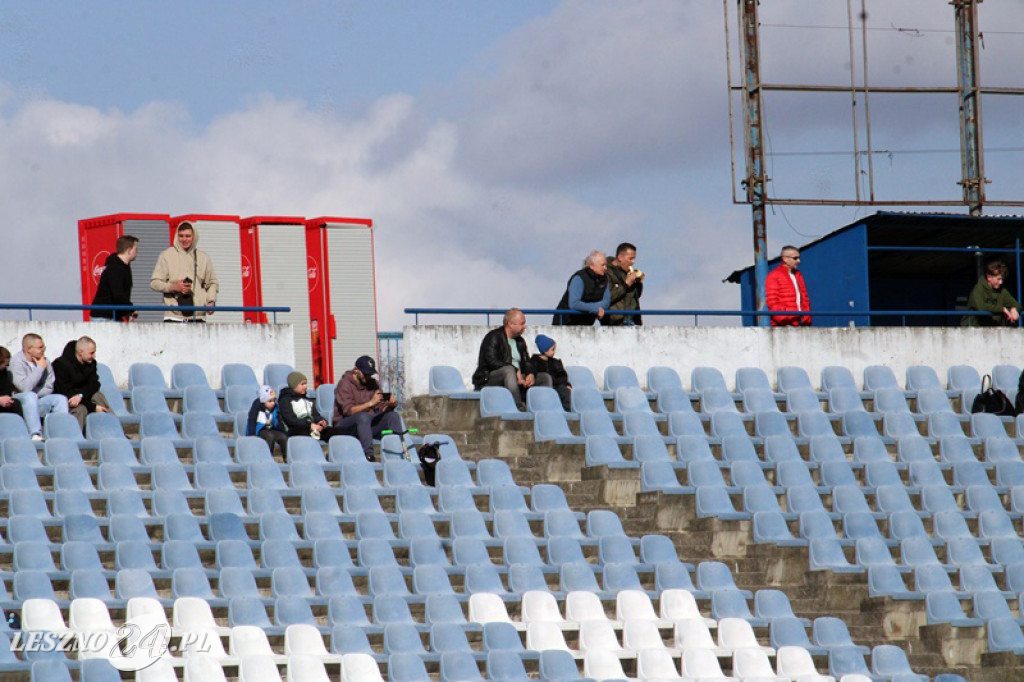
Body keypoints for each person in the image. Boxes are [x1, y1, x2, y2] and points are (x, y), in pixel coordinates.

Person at [471, 308, 552, 410]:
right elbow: (491, 361)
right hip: (489, 378)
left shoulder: (520, 341)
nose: (525, 326)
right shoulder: (494, 337)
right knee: (509, 370)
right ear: (510, 324)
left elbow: (527, 362)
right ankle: (518, 406)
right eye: (522, 323)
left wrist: (530, 374)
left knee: (544, 377)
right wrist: (515, 370)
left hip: (516, 378)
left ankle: (546, 408)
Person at [333, 355, 403, 462]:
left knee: (393, 416)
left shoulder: (373, 383)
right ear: (356, 370)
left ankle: (396, 452)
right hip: (345, 426)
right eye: (365, 374)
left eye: (370, 374)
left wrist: (390, 405)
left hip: (366, 425)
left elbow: (380, 408)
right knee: (363, 417)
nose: (368, 377)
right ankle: (369, 455)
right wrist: (370, 403)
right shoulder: (344, 384)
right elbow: (348, 411)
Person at [150, 221, 219, 322]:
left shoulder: (203, 257)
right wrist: (173, 287)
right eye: (181, 236)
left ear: (194, 237)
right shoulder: (166, 255)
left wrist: (211, 300)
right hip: (173, 317)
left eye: (188, 236)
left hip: (198, 317)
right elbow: (154, 283)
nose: (184, 239)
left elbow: (212, 283)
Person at [11, 333, 69, 441]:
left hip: (37, 401)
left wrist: (35, 393)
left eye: (44, 347)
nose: (43, 350)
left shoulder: (45, 361)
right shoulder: (16, 362)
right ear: (29, 349)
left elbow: (49, 387)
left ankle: (61, 435)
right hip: (21, 402)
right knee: (29, 396)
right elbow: (24, 388)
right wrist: (39, 368)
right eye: (40, 347)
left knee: (60, 399)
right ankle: (35, 433)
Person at [52, 336, 111, 432]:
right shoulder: (60, 365)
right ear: (80, 352)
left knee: (98, 396)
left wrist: (81, 395)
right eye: (91, 353)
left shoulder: (91, 363)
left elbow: (95, 384)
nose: (94, 356)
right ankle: (75, 439)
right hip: (66, 399)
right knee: (80, 409)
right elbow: (65, 391)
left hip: (82, 397)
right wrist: (93, 407)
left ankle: (115, 430)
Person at [278, 371, 343, 441]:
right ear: (294, 385)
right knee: (304, 433)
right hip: (295, 430)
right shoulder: (285, 400)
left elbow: (315, 415)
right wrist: (310, 425)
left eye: (305, 384)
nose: (305, 386)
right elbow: (291, 420)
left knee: (335, 432)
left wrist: (321, 420)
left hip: (311, 427)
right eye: (302, 384)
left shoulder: (308, 400)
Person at [553, 250, 611, 325]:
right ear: (592, 265)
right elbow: (574, 304)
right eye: (602, 265)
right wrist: (596, 309)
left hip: (586, 323)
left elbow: (606, 302)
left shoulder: (604, 279)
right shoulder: (579, 278)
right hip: (566, 322)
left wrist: (594, 308)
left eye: (606, 265)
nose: (605, 268)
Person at [91, 234, 139, 322]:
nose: (137, 251)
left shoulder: (124, 267)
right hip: (104, 316)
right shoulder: (115, 268)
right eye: (135, 249)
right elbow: (118, 294)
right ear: (129, 250)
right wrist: (131, 309)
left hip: (114, 315)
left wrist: (126, 312)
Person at [962, 260, 1021, 327]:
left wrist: (1014, 309)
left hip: (993, 329)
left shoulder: (1002, 290)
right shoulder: (978, 289)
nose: (1001, 282)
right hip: (973, 329)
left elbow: (1017, 305)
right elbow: (980, 307)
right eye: (998, 279)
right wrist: (1002, 309)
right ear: (989, 277)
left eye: (1002, 279)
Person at [765, 245, 811, 327]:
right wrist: (784, 319)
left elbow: (805, 299)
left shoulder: (798, 276)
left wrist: (806, 318)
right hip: (785, 325)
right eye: (795, 258)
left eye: (799, 258)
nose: (798, 261)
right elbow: (772, 301)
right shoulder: (774, 275)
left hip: (801, 323)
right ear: (785, 259)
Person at [603, 242, 645, 326]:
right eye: (630, 258)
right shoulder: (606, 273)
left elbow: (636, 296)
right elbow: (607, 297)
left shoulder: (628, 273)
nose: (633, 262)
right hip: (614, 323)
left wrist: (638, 283)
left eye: (634, 259)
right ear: (620, 257)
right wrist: (626, 285)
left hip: (633, 322)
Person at [529, 334, 572, 412]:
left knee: (565, 391)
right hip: (543, 388)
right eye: (552, 349)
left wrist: (566, 384)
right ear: (545, 350)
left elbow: (562, 375)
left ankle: (567, 411)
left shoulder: (556, 362)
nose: (554, 352)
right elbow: (532, 372)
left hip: (557, 386)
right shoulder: (534, 361)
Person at [247, 385, 288, 456]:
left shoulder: (275, 408)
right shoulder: (257, 407)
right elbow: (252, 421)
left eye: (274, 400)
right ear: (263, 401)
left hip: (270, 428)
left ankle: (286, 458)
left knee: (283, 437)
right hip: (259, 430)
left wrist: (283, 431)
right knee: (269, 436)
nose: (273, 403)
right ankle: (267, 457)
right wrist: (252, 435)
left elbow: (279, 421)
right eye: (270, 401)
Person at [0, 347, 24, 420]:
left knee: (15, 403)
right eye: (5, 364)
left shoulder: (4, 373)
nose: (6, 367)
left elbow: (6, 390)